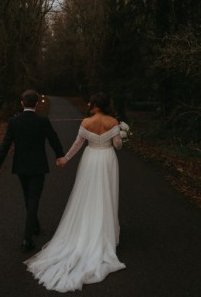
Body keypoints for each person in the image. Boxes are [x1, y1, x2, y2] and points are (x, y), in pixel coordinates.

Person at [24, 92, 126, 292]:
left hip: (90, 159)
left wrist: (64, 159)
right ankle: (105, 234)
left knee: (87, 195)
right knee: (106, 195)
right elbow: (117, 146)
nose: (89, 104)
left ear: (96, 105)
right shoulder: (113, 121)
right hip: (106, 160)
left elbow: (77, 145)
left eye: (91, 102)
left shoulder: (86, 122)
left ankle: (87, 228)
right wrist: (121, 134)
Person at [0, 89, 65, 252]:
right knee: (33, 199)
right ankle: (27, 238)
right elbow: (54, 139)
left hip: (21, 166)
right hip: (38, 166)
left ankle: (35, 226)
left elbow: (5, 145)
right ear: (37, 104)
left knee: (28, 196)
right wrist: (59, 155)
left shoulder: (14, 122)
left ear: (22, 103)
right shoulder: (43, 121)